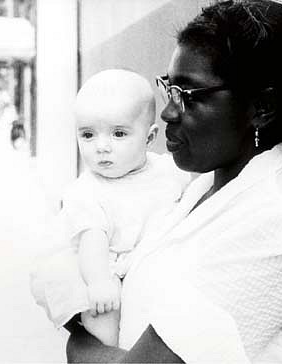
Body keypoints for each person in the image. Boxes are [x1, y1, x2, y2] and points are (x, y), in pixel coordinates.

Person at [65, 1, 282, 363]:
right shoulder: (201, 188)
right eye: (168, 88)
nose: (167, 112)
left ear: (261, 108)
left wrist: (80, 344)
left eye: (188, 95)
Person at [30, 69, 190, 347]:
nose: (101, 147)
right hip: (104, 267)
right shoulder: (87, 191)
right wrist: (99, 281)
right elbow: (93, 239)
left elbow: (184, 204)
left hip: (150, 261)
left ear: (150, 138)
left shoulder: (166, 171)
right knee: (103, 314)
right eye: (88, 135)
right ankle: (110, 352)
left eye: (118, 134)